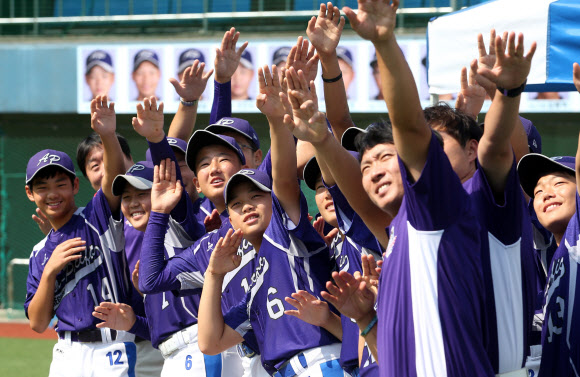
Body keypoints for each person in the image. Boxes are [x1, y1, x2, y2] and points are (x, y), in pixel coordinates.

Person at [24, 96, 145, 376]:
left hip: (110, 347)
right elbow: (38, 323)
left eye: (60, 184)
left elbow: (114, 178)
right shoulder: (40, 253)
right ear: (31, 194)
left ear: (75, 185)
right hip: (66, 353)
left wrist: (107, 134)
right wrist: (50, 271)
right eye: (42, 187)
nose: (52, 193)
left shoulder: (97, 216)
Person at [515, 62, 580, 377]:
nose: (546, 193)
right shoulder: (549, 252)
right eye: (538, 190)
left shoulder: (578, 236)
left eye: (559, 183)